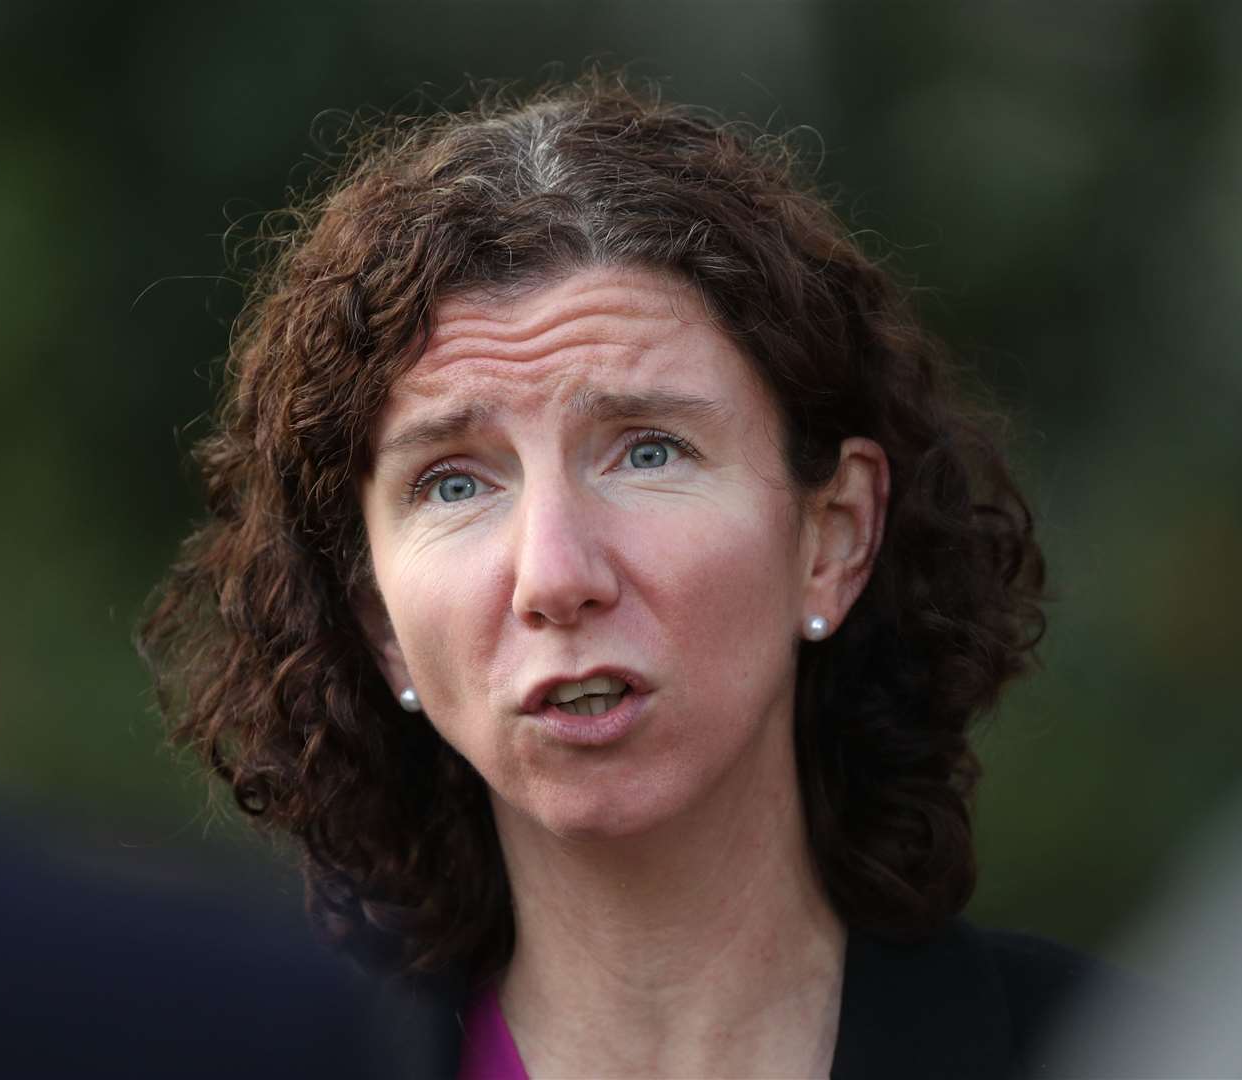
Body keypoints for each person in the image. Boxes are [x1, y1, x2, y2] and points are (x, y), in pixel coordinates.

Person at [140, 73, 1120, 1078]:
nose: (557, 576)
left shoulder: (1147, 1056)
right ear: (377, 617)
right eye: (453, 483)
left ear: (832, 539)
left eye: (647, 451)